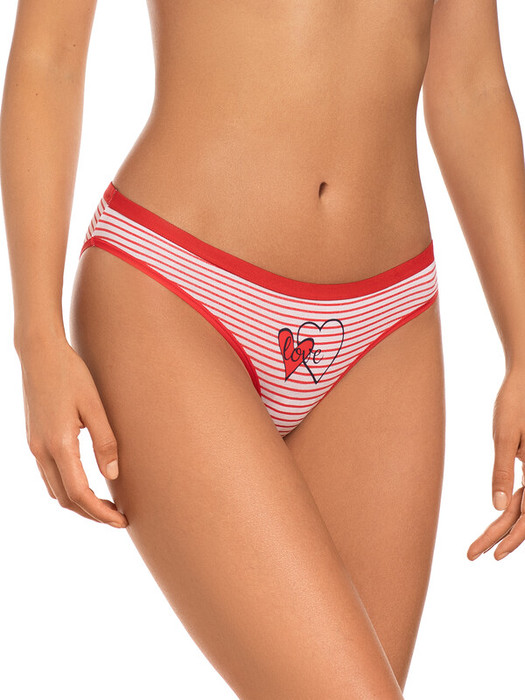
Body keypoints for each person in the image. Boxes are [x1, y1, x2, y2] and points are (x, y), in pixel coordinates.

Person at [2, 1, 525, 697]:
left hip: (386, 325)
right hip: (177, 291)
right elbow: (49, 58)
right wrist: (36, 335)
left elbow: (473, 83)